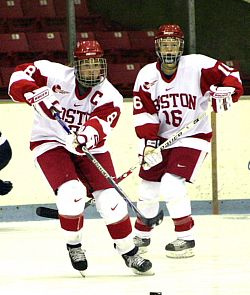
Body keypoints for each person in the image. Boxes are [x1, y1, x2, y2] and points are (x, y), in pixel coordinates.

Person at [8, 40, 153, 275]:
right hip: (49, 141)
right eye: (86, 65)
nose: (92, 70)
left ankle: (129, 252)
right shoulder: (54, 74)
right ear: (76, 65)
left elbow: (101, 125)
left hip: (90, 148)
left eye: (96, 65)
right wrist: (32, 92)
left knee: (111, 201)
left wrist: (85, 137)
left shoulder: (110, 96)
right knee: (71, 193)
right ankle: (74, 245)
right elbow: (18, 75)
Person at [132, 24, 243, 258]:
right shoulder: (147, 75)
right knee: (148, 188)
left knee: (172, 184)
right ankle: (142, 234)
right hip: (161, 139)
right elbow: (145, 112)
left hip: (194, 136)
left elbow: (231, 77)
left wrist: (228, 93)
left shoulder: (197, 65)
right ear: (157, 47)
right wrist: (150, 143)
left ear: (181, 46)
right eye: (165, 44)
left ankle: (186, 238)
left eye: (173, 43)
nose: (169, 48)